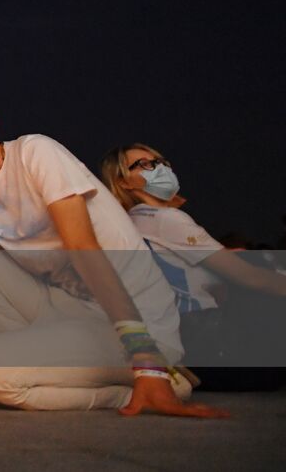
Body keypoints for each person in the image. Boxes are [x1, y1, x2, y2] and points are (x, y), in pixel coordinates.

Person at [0, 82, 222, 416]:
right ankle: (51, 360)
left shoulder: (35, 152)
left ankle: (156, 377)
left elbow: (82, 246)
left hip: (132, 321)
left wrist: (144, 357)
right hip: (66, 311)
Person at [100, 143, 286, 390]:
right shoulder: (165, 219)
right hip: (214, 346)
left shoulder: (134, 223)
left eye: (162, 161)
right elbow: (251, 278)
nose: (161, 167)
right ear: (123, 182)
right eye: (146, 164)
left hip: (190, 348)